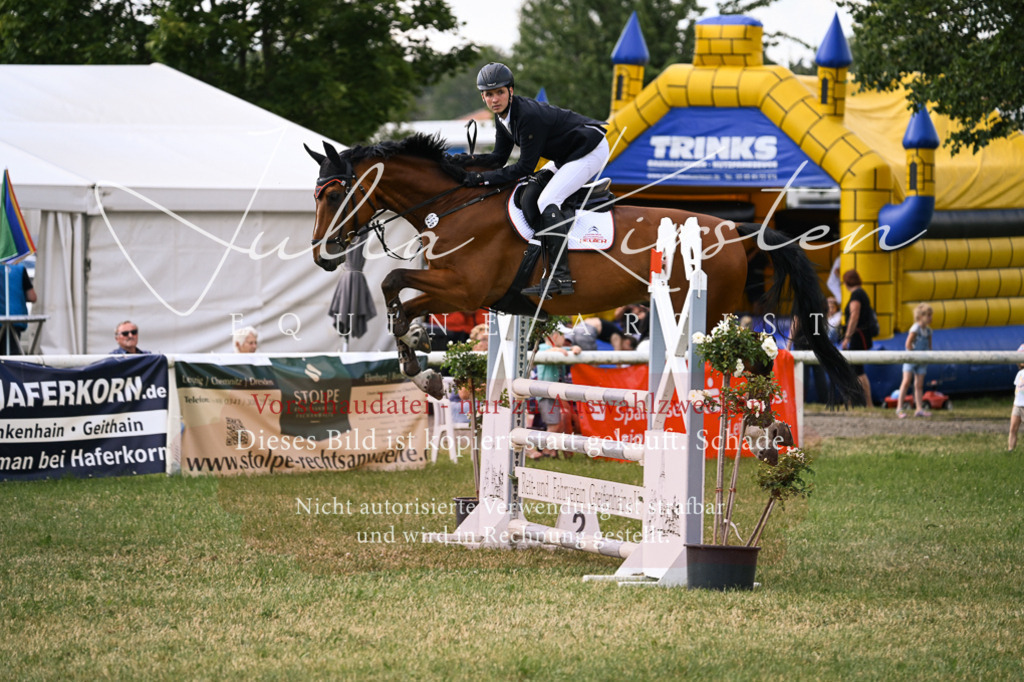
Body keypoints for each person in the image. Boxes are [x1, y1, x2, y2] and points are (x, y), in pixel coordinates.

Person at [460, 62, 610, 299]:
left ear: (510, 91)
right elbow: (498, 158)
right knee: (530, 195)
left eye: (500, 92)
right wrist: (460, 163)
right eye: (489, 94)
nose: (495, 99)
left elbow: (523, 168)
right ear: (483, 97)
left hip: (590, 149)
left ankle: (561, 276)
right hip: (567, 154)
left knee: (547, 200)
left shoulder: (527, 116)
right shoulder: (503, 118)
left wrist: (479, 179)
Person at [529, 329, 582, 459]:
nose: (565, 339)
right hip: (546, 393)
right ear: (555, 336)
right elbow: (544, 352)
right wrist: (559, 350)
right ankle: (546, 450)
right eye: (563, 336)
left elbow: (573, 350)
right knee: (554, 424)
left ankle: (551, 451)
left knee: (556, 423)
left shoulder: (560, 349)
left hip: (555, 393)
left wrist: (574, 348)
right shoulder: (543, 348)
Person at [840, 269, 874, 407]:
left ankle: (867, 403)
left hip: (857, 337)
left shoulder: (856, 295)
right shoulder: (862, 293)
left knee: (857, 370)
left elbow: (854, 316)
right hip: (862, 336)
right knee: (854, 370)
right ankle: (851, 402)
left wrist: (847, 337)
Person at [895, 304, 934, 418]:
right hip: (911, 359)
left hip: (922, 360)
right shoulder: (915, 328)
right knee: (906, 382)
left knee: (919, 385)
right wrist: (913, 354)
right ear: (920, 316)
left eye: (931, 315)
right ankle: (899, 408)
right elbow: (908, 343)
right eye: (928, 315)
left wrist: (928, 355)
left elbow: (929, 346)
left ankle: (919, 408)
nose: (930, 318)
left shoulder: (929, 331)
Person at [0, 262, 37, 355]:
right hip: (16, 318)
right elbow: (32, 297)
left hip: (2, 317)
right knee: (12, 354)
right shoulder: (20, 269)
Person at [1009, 344, 1024, 451]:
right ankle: (1010, 450)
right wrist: (1014, 404)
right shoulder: (1019, 373)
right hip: (1017, 405)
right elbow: (1017, 391)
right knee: (1013, 429)